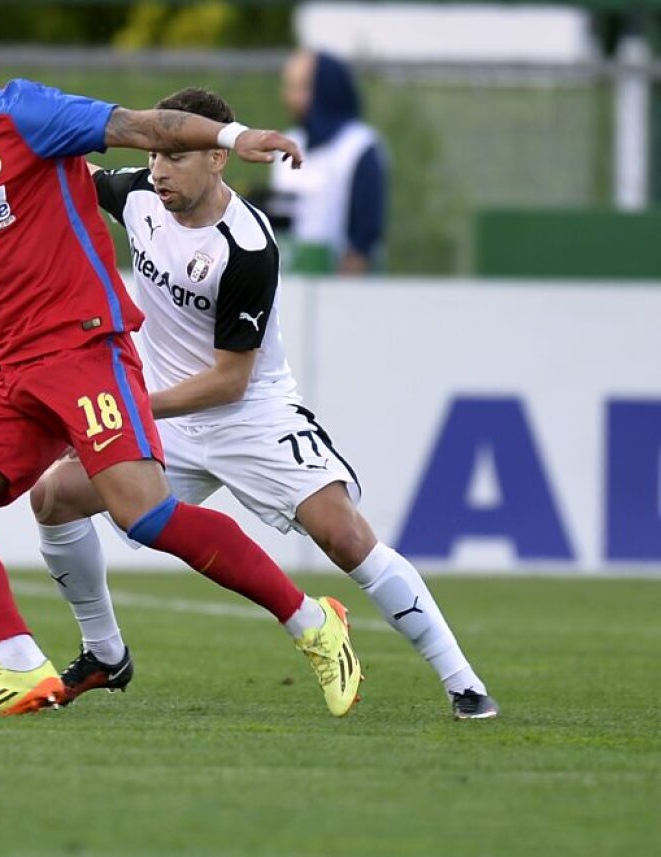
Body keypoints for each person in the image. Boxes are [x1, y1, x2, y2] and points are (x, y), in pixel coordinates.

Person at [0, 12, 361, 718]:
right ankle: (18, 664)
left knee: (146, 514)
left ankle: (314, 621)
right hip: (7, 374)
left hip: (84, 348)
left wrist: (231, 137)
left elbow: (142, 128)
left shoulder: (24, 115)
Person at [31, 87, 496, 721]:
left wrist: (133, 405)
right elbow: (60, 181)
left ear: (218, 160)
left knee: (343, 535)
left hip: (249, 413)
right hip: (166, 416)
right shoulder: (137, 192)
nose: (160, 169)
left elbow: (229, 381)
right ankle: (104, 653)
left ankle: (463, 684)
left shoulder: (246, 246)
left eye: (177, 156)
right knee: (54, 498)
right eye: (157, 154)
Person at [266, 50, 387, 275]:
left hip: (341, 286)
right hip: (290, 281)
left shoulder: (359, 146)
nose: (289, 97)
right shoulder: (287, 144)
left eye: (300, 88)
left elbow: (365, 236)